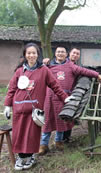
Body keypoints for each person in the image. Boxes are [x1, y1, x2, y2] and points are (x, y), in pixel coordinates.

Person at [3, 43, 71, 171]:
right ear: (25, 55)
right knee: (19, 134)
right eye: (28, 53)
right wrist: (7, 105)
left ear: (38, 54)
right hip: (18, 109)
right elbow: (12, 89)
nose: (31, 55)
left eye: (34, 53)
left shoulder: (44, 70)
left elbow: (55, 85)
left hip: (34, 111)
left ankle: (30, 156)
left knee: (31, 135)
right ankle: (21, 157)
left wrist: (65, 97)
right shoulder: (19, 71)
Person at [39, 45, 101, 155]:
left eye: (62, 52)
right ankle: (43, 145)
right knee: (47, 121)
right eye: (58, 52)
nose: (60, 54)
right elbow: (37, 71)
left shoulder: (71, 66)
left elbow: (84, 71)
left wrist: (96, 75)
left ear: (66, 54)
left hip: (64, 98)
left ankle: (58, 141)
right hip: (49, 97)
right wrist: (43, 63)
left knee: (61, 121)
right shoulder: (48, 66)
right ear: (55, 54)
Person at [63, 47, 81, 143]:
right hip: (62, 93)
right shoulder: (64, 63)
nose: (75, 55)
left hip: (71, 92)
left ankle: (66, 137)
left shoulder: (76, 65)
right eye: (74, 53)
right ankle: (61, 139)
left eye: (77, 54)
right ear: (69, 53)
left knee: (70, 114)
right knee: (63, 115)